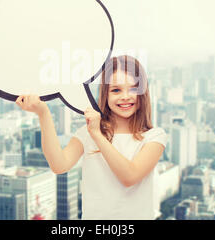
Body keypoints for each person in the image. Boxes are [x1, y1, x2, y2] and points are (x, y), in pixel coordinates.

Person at [16, 55, 168, 220]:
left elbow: (129, 177)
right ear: (105, 94)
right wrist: (43, 113)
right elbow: (59, 165)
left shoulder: (154, 136)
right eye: (116, 90)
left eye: (133, 89)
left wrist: (97, 134)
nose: (125, 96)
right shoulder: (86, 132)